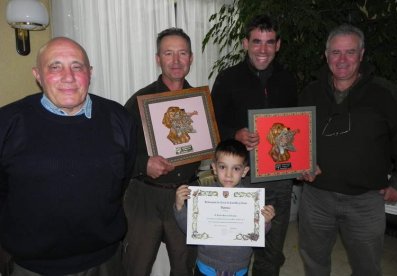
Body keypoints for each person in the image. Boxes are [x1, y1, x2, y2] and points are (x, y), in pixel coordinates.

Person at [0, 37, 137, 275]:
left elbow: (122, 181)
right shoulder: (7, 122)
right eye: (55, 67)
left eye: (77, 66)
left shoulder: (120, 118)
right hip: (32, 267)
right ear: (38, 75)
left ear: (90, 73)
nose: (68, 76)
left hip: (106, 262)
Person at [298, 24, 397, 276]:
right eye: (335, 52)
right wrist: (299, 165)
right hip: (316, 198)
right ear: (325, 55)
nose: (342, 60)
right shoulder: (310, 93)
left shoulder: (386, 95)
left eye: (350, 52)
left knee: (367, 267)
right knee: (314, 263)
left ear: (361, 55)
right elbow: (295, 139)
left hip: (365, 201)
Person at [211, 14, 297, 276]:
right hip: (239, 179)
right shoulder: (227, 79)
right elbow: (210, 126)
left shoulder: (288, 79)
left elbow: (297, 128)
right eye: (257, 41)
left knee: (272, 253)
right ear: (245, 43)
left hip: (279, 179)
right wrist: (233, 134)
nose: (263, 49)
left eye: (269, 42)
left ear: (278, 45)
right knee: (236, 249)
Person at [123, 28, 198, 276]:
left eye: (182, 53)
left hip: (185, 195)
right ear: (158, 58)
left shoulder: (200, 103)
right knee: (137, 267)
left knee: (184, 267)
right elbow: (117, 154)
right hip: (145, 197)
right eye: (168, 53)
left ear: (191, 58)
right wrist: (143, 164)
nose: (176, 61)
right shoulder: (138, 101)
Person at [174, 139, 276, 276]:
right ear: (214, 168)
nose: (229, 174)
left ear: (244, 171)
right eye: (223, 167)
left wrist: (266, 221)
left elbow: (256, 234)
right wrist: (180, 207)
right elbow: (190, 230)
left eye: (236, 168)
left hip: (239, 268)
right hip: (206, 266)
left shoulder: (251, 200)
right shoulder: (204, 197)